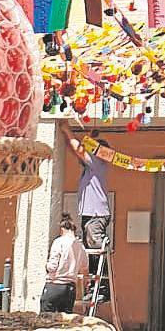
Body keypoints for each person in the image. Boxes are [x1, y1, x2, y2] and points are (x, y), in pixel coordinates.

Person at [61, 123, 111, 300]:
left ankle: (103, 290)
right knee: (91, 251)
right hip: (91, 214)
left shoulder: (98, 163)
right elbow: (77, 150)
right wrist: (66, 137)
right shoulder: (92, 168)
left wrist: (66, 129)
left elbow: (79, 150)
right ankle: (93, 289)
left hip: (96, 214)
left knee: (97, 250)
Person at [39, 214, 88, 314]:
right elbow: (84, 267)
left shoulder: (59, 242)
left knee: (46, 320)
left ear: (62, 229)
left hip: (55, 285)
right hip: (70, 288)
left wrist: (46, 266)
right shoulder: (80, 246)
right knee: (65, 323)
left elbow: (53, 266)